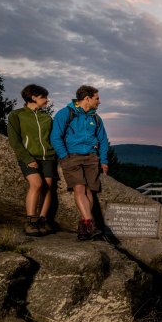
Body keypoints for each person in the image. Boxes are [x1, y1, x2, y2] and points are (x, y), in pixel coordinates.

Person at [50, 85, 109, 240]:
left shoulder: (95, 118)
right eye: (97, 98)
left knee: (89, 191)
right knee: (79, 188)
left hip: (91, 157)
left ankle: (83, 229)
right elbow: (55, 136)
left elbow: (103, 140)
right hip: (72, 157)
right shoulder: (65, 113)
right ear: (87, 98)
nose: (99, 102)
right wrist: (64, 156)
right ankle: (90, 224)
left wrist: (104, 160)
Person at [7, 84, 56, 236]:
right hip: (29, 156)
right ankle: (30, 221)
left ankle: (42, 220)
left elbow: (52, 138)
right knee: (37, 184)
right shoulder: (16, 115)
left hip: (47, 156)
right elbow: (14, 140)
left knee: (48, 186)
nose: (47, 100)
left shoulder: (46, 117)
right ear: (33, 97)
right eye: (44, 97)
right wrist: (27, 158)